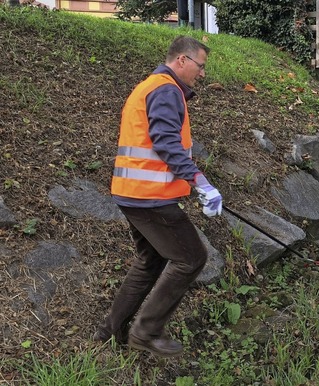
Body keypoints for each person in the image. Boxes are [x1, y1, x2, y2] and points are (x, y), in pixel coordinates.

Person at [93, 36, 223, 358]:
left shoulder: (150, 86)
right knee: (192, 258)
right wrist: (200, 181)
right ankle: (146, 332)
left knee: (151, 260)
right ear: (182, 60)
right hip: (150, 198)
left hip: (131, 193)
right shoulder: (166, 89)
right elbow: (165, 142)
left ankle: (110, 330)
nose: (202, 73)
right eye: (200, 66)